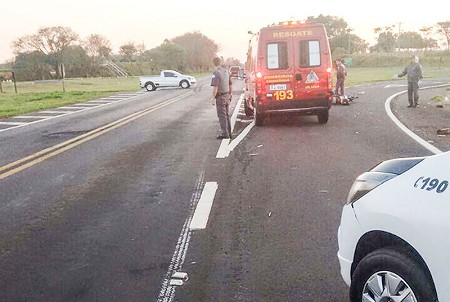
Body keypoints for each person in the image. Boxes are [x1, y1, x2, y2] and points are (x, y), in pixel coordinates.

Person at [211, 57, 233, 139]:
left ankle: (225, 134)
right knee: (227, 115)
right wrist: (231, 94)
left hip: (220, 97)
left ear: (214, 63)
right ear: (220, 62)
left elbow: (215, 87)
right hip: (227, 95)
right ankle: (229, 132)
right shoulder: (226, 72)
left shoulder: (216, 73)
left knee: (222, 116)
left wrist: (213, 98)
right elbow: (231, 84)